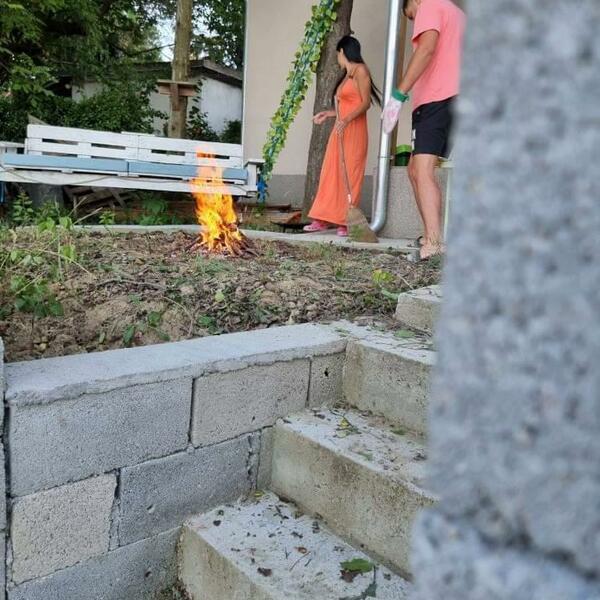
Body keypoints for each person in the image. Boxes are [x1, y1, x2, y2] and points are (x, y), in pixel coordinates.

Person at [382, 0, 466, 260]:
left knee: (422, 169)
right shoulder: (457, 13)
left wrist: (399, 94)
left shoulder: (429, 5)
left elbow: (427, 49)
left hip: (437, 98)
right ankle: (430, 236)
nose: (413, 21)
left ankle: (435, 241)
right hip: (453, 98)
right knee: (414, 169)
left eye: (410, 15)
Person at [304, 35, 381, 237]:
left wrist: (346, 120)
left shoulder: (361, 71)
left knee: (350, 174)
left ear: (342, 51)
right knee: (331, 174)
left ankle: (345, 221)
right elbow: (346, 104)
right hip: (340, 130)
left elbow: (365, 103)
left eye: (337, 54)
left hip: (354, 131)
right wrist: (329, 114)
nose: (337, 57)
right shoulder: (346, 75)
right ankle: (322, 218)